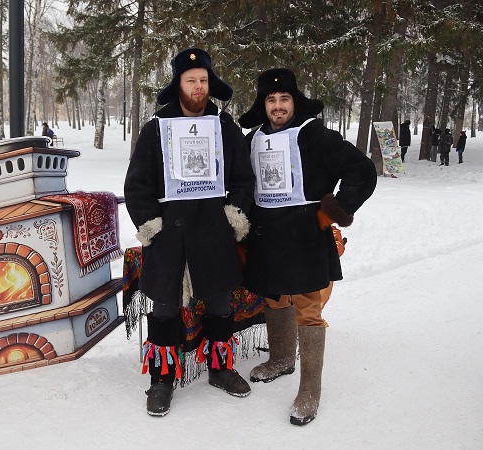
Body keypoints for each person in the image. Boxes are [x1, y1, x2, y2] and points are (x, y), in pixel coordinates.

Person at [238, 68, 377, 426]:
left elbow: (361, 169)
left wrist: (332, 211)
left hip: (305, 234)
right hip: (266, 233)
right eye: (271, 100)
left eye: (284, 99)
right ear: (263, 104)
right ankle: (282, 359)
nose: (278, 106)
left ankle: (310, 389)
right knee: (274, 298)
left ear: (294, 102)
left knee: (308, 309)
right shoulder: (252, 139)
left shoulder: (315, 135)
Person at [124, 47, 255, 417]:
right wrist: (151, 223)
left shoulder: (226, 127)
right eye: (191, 80)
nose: (198, 86)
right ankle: (162, 379)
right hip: (170, 234)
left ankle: (220, 369)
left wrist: (233, 214)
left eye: (203, 80)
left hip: (214, 231)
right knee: (165, 310)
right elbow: (137, 185)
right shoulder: (155, 129)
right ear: (178, 84)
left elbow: (244, 179)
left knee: (219, 305)